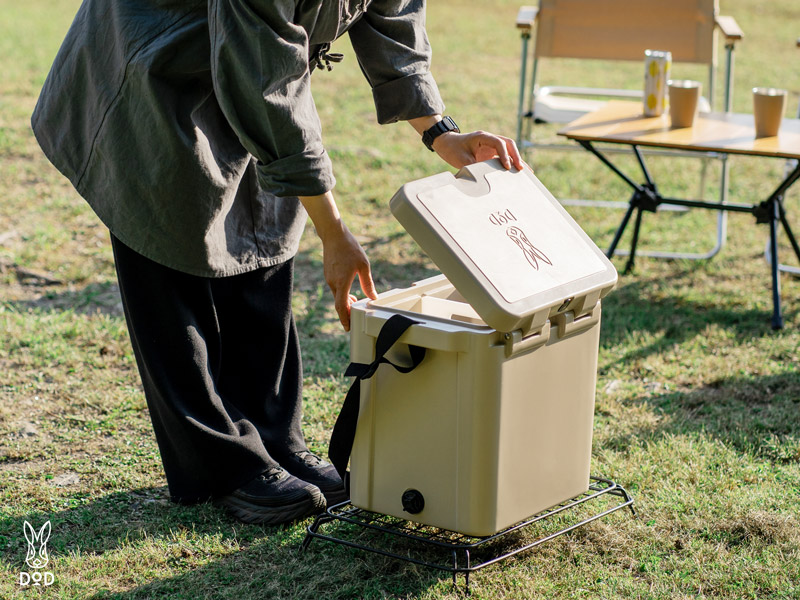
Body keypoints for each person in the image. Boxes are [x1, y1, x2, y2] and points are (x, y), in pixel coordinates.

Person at [31, 0, 523, 525]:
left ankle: (275, 441)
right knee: (168, 236)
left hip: (241, 68)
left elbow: (393, 18)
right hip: (149, 67)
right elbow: (269, 84)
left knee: (267, 226)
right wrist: (334, 233)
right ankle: (226, 467)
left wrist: (439, 130)